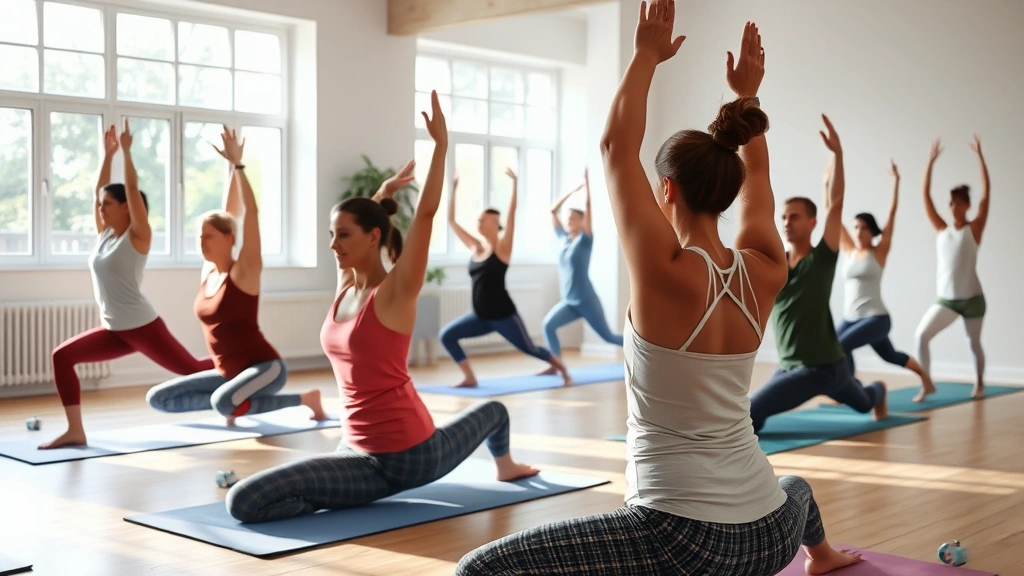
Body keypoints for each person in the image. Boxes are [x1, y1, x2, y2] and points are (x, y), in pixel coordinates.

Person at [458, 10, 860, 575]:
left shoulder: (663, 268)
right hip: (771, 536)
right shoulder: (767, 267)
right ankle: (823, 557)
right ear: (728, 192)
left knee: (478, 568)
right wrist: (748, 99)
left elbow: (613, 147)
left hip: (681, 540)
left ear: (666, 188)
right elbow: (761, 186)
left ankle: (821, 555)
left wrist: (646, 55)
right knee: (790, 483)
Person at [225, 92, 539, 523]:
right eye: (331, 234)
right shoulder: (345, 283)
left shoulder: (395, 292)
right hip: (353, 449)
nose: (333, 245)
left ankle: (505, 465)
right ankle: (346, 494)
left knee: (243, 501)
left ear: (373, 237)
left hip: (407, 454)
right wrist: (381, 194)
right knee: (245, 501)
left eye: (343, 236)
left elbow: (425, 217)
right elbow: (368, 225)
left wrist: (440, 148)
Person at [40, 121, 214, 450]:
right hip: (115, 329)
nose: (101, 208)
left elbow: (132, 190)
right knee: (62, 357)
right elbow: (97, 193)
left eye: (108, 204)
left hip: (141, 325)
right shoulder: (105, 235)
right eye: (101, 204)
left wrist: (127, 152)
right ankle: (75, 430)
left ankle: (247, 364)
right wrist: (107, 155)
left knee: (190, 368)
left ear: (125, 208)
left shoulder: (137, 238)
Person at [145, 126, 325, 424]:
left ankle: (302, 399)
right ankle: (235, 402)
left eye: (208, 236)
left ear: (228, 238)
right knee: (160, 399)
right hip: (228, 374)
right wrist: (230, 165)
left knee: (223, 402)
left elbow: (248, 214)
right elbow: (230, 211)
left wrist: (240, 166)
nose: (201, 242)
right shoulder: (209, 272)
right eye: (199, 236)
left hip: (266, 369)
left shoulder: (245, 270)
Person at [747, 117, 888, 433]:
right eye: (783, 217)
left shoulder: (822, 258)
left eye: (795, 217)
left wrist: (838, 155)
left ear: (812, 223)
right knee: (862, 401)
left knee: (750, 415)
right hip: (791, 367)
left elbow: (836, 205)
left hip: (822, 367)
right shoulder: (775, 262)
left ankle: (878, 390)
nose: (787, 222)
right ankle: (875, 392)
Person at [439, 167, 572, 387]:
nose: (479, 221)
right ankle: (470, 377)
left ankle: (563, 370)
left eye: (484, 219)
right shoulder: (475, 247)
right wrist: (453, 188)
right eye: (479, 218)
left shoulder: (502, 249)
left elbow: (512, 215)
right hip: (480, 316)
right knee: (447, 335)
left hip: (503, 315)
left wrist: (515, 185)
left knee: (528, 347)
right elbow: (451, 221)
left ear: (494, 223)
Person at [833, 159, 932, 401]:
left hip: (876, 318)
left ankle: (852, 390)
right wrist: (828, 184)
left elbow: (891, 213)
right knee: (889, 356)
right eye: (855, 227)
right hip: (851, 318)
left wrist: (896, 182)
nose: (857, 232)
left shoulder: (879, 252)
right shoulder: (848, 250)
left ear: (872, 231)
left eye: (863, 228)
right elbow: (832, 213)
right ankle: (927, 380)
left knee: (840, 347)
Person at [914, 136, 990, 399]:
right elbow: (924, 196)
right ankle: (926, 383)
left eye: (959, 202)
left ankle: (979, 384)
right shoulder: (941, 230)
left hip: (973, 300)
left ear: (967, 205)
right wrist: (930, 162)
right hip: (947, 301)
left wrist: (980, 157)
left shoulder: (974, 229)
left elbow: (986, 194)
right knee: (921, 335)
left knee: (974, 343)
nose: (953, 207)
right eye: (951, 202)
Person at [540, 168, 624, 364]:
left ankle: (645, 348)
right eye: (567, 218)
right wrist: (572, 190)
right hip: (569, 302)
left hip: (586, 301)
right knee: (548, 325)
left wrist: (586, 188)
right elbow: (552, 210)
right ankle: (557, 365)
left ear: (581, 221)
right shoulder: (562, 238)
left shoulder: (584, 241)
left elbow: (588, 208)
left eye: (572, 218)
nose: (568, 220)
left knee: (608, 337)